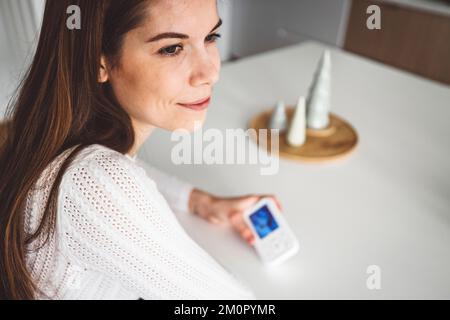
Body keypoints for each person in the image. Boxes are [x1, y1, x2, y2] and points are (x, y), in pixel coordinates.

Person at [0, 0, 281, 299]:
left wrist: (199, 201)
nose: (210, 73)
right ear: (98, 61)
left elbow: (109, 181)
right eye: (172, 48)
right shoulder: (96, 184)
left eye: (211, 37)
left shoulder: (54, 135)